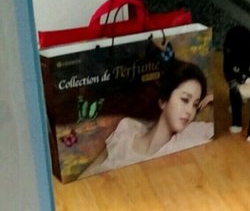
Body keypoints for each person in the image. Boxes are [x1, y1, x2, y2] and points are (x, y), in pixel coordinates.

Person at [80, 60, 214, 177]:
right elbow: (88, 174)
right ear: (163, 101)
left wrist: (213, 98)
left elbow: (220, 134)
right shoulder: (126, 130)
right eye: (185, 100)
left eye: (195, 105)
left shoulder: (188, 139)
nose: (190, 111)